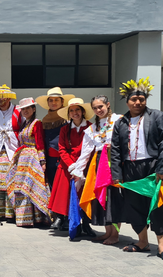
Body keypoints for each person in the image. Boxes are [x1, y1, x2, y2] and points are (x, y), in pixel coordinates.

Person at [110, 78, 163, 263]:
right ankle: (142, 242)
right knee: (133, 206)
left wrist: (162, 168)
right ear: (127, 101)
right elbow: (115, 150)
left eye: (141, 99)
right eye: (134, 99)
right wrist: (116, 175)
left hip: (153, 168)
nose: (138, 102)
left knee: (159, 205)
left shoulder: (158, 116)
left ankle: (162, 247)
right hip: (130, 170)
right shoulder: (120, 123)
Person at [70, 95, 124, 244]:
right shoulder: (92, 128)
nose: (98, 110)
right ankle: (108, 232)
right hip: (99, 163)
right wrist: (78, 171)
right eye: (95, 108)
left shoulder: (119, 120)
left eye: (100, 106)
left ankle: (115, 234)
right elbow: (85, 152)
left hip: (115, 160)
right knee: (102, 197)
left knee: (113, 198)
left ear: (107, 104)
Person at [48, 98, 94, 235]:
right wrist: (72, 166)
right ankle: (69, 222)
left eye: (77, 110)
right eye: (72, 110)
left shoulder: (91, 127)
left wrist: (80, 166)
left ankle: (86, 224)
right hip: (68, 167)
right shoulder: (64, 129)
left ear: (83, 111)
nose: (75, 113)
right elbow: (62, 149)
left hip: (85, 166)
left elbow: (91, 148)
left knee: (85, 196)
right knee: (66, 196)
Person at [5, 97, 51, 228]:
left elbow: (40, 142)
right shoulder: (25, 124)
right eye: (23, 109)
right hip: (22, 158)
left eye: (27, 108)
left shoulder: (37, 123)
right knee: (19, 185)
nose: (25, 111)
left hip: (32, 158)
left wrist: (42, 161)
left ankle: (38, 218)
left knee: (31, 185)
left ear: (33, 109)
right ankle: (24, 217)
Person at [35, 87, 73, 227]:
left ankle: (68, 217)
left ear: (62, 102)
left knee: (65, 188)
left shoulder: (66, 119)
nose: (54, 102)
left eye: (57, 100)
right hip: (49, 160)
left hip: (63, 158)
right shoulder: (44, 119)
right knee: (53, 188)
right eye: (51, 100)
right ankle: (58, 217)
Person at [0, 84, 25, 223]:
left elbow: (24, 127)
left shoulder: (18, 111)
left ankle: (12, 213)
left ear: (9, 98)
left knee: (13, 180)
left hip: (14, 149)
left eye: (4, 97)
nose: (1, 99)